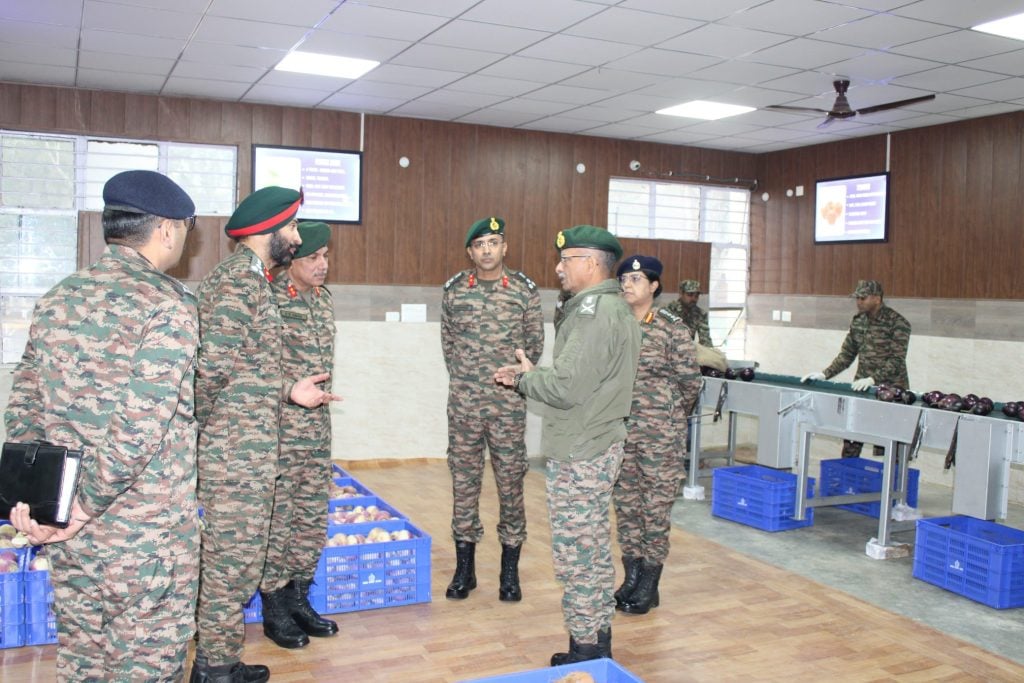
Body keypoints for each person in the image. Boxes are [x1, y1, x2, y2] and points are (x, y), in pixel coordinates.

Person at [5, 170, 200, 681]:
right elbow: (140, 428)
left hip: (68, 524)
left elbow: (25, 402)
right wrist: (86, 507)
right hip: (144, 535)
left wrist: (36, 502)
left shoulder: (58, 297)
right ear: (165, 229)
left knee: (83, 659)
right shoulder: (169, 304)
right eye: (184, 228)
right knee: (146, 666)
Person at [192, 187, 341, 683]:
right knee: (228, 567)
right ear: (269, 230)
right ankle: (214, 668)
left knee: (235, 565)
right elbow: (210, 372)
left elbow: (243, 369)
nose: (296, 240)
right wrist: (206, 436)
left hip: (250, 446)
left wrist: (287, 390)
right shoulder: (240, 284)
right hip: (236, 453)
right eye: (293, 229)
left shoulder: (250, 281)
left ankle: (221, 661)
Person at [495, 225, 640, 666]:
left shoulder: (594, 312)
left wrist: (523, 379)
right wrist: (534, 374)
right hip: (596, 442)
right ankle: (597, 641)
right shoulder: (612, 309)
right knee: (593, 547)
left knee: (577, 555)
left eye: (567, 259)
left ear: (592, 264)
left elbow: (566, 388)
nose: (558, 268)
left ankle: (585, 651)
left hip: (582, 450)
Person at [441, 216, 544, 602]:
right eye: (479, 244)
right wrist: (468, 378)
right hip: (465, 406)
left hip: (507, 406)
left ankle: (509, 572)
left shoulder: (523, 290)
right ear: (470, 252)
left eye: (493, 242)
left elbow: (533, 345)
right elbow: (448, 344)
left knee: (511, 484)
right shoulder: (454, 290)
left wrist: (515, 377)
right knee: (463, 485)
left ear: (505, 248)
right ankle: (464, 570)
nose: (486, 250)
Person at [259, 221, 340, 646]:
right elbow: (258, 371)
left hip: (316, 433)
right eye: (313, 257)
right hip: (280, 432)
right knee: (279, 520)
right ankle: (275, 608)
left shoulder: (323, 302)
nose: (322, 264)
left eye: (326, 256)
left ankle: (300, 598)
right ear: (292, 259)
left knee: (311, 519)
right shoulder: (269, 300)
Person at [612, 255, 701, 616]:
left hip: (659, 435)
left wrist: (668, 416)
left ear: (653, 286)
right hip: (620, 430)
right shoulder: (614, 324)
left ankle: (651, 581)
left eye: (636, 279)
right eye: (624, 279)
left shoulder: (670, 327)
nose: (628, 285)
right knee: (627, 506)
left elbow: (689, 382)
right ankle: (631, 576)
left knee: (655, 508)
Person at [801, 280, 911, 458]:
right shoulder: (858, 321)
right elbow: (847, 354)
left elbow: (897, 360)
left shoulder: (897, 323)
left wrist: (873, 380)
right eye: (857, 298)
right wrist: (825, 374)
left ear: (877, 298)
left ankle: (892, 483)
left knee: (891, 444)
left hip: (891, 390)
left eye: (863, 298)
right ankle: (847, 480)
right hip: (861, 388)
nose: (859, 302)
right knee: (851, 438)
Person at [665, 279, 712, 346]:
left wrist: (710, 354)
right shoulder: (668, 309)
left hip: (687, 350)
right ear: (681, 293)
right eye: (690, 295)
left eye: (696, 296)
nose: (693, 299)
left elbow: (705, 339)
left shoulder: (700, 314)